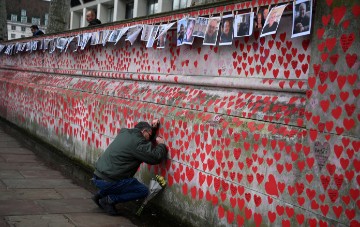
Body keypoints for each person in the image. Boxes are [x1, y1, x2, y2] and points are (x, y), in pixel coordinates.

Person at [92, 119, 167, 215]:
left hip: (97, 177)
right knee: (142, 191)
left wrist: (153, 129)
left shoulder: (125, 133)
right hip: (109, 180)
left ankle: (100, 194)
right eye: (149, 134)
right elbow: (155, 158)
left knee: (121, 180)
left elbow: (144, 142)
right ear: (144, 131)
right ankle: (109, 200)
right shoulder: (138, 143)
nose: (149, 139)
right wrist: (161, 145)